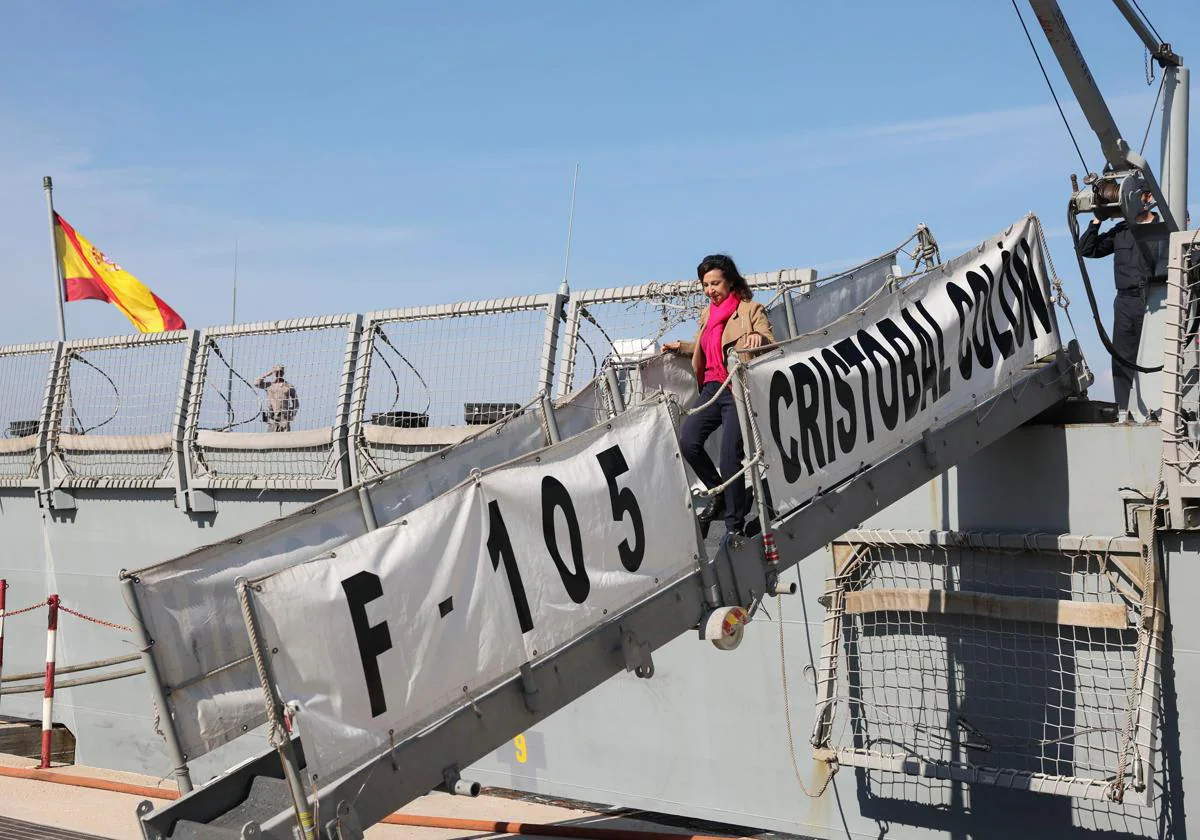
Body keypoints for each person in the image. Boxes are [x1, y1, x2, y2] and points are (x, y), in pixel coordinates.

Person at [663, 254, 775, 537]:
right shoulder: (707, 315)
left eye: (715, 283)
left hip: (738, 387)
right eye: (705, 285)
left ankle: (734, 526)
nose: (710, 290)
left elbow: (771, 340)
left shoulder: (750, 310)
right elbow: (708, 346)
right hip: (713, 387)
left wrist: (758, 339)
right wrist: (684, 347)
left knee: (729, 458)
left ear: (730, 281)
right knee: (688, 442)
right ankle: (723, 496)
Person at [1079, 189, 1161, 418]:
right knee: (1123, 359)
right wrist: (1098, 219)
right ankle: (1126, 411)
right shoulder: (1121, 231)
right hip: (1125, 302)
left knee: (1155, 357)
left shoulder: (1163, 230)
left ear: (1149, 198)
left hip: (1154, 302)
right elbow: (1088, 249)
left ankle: (1158, 411)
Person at [255, 365, 299, 432]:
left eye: (280, 371)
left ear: (283, 373)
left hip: (284, 417)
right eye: (276, 371)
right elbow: (256, 384)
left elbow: (296, 403)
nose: (278, 373)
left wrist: (292, 414)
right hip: (272, 417)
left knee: (285, 438)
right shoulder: (269, 385)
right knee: (271, 439)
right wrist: (267, 374)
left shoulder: (289, 386)